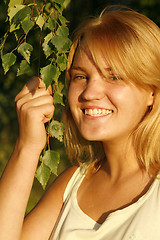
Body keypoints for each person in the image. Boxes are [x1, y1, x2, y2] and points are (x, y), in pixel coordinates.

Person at [1, 5, 160, 240]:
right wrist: (27, 147)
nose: (89, 92)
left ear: (152, 93)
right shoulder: (71, 184)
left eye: (114, 76)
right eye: (81, 76)